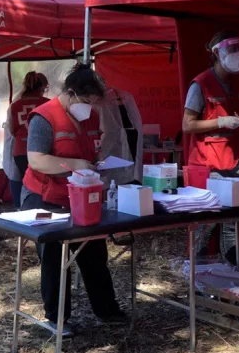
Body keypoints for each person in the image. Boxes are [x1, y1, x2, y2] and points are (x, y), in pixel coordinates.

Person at [21, 64, 125, 337]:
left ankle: (107, 310)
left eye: (94, 102)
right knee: (55, 253)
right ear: (69, 93)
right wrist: (74, 163)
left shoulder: (89, 117)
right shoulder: (44, 117)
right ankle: (57, 319)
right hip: (44, 196)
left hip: (79, 195)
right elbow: (36, 160)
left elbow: (90, 149)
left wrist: (95, 162)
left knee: (94, 250)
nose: (90, 106)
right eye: (86, 100)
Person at [182, 30, 239, 262]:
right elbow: (187, 125)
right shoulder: (201, 84)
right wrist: (221, 121)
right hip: (209, 165)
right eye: (232, 50)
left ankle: (232, 275)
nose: (237, 55)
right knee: (206, 226)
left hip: (236, 162)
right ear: (217, 54)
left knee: (232, 224)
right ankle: (199, 274)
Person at [96, 87, 143, 185]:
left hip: (128, 148)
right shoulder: (100, 106)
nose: (118, 102)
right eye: (116, 100)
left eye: (119, 100)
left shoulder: (126, 99)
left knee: (128, 175)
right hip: (109, 151)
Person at [8, 71, 50, 179]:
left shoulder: (15, 105)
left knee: (26, 183)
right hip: (42, 151)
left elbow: (12, 130)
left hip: (20, 152)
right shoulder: (49, 104)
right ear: (42, 87)